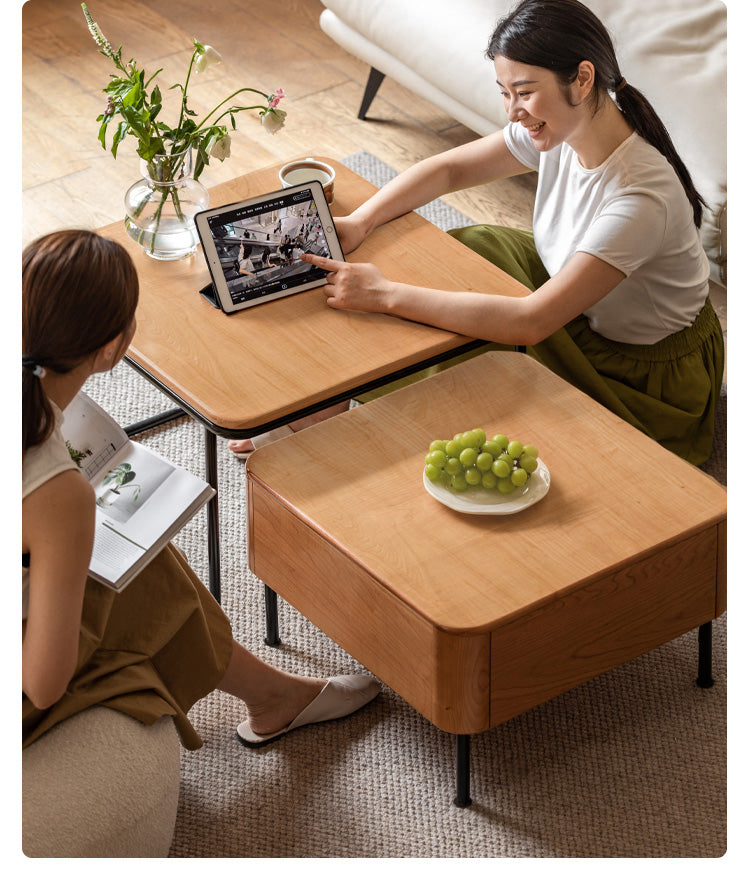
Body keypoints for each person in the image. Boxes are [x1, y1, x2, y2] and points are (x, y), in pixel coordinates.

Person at [299, 0, 724, 467]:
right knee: (475, 246)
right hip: (581, 304)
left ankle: (345, 400)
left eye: (522, 92)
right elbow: (447, 170)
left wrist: (385, 295)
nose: (513, 112)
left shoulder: (641, 198)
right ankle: (360, 379)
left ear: (582, 80)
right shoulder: (564, 128)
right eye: (505, 92)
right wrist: (361, 220)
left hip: (641, 374)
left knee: (478, 366)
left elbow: (530, 321)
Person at [22, 229, 379, 753]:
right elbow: (41, 682)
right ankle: (276, 695)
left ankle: (274, 696)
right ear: (112, 349)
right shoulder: (58, 494)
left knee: (141, 565)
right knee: (134, 575)